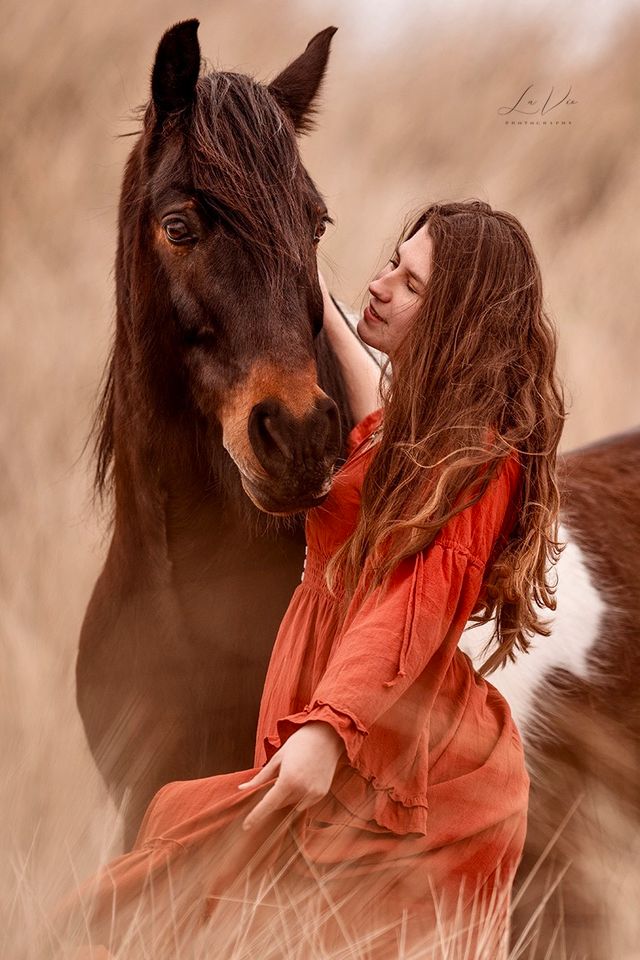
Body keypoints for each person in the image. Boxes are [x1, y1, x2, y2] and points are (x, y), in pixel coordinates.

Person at [53, 199, 565, 959]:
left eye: (413, 284)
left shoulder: (478, 457)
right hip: (353, 730)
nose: (384, 283)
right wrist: (308, 288)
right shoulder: (420, 432)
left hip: (412, 770)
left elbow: (406, 604)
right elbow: (371, 428)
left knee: (124, 909)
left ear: (456, 319)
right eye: (393, 260)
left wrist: (330, 728)